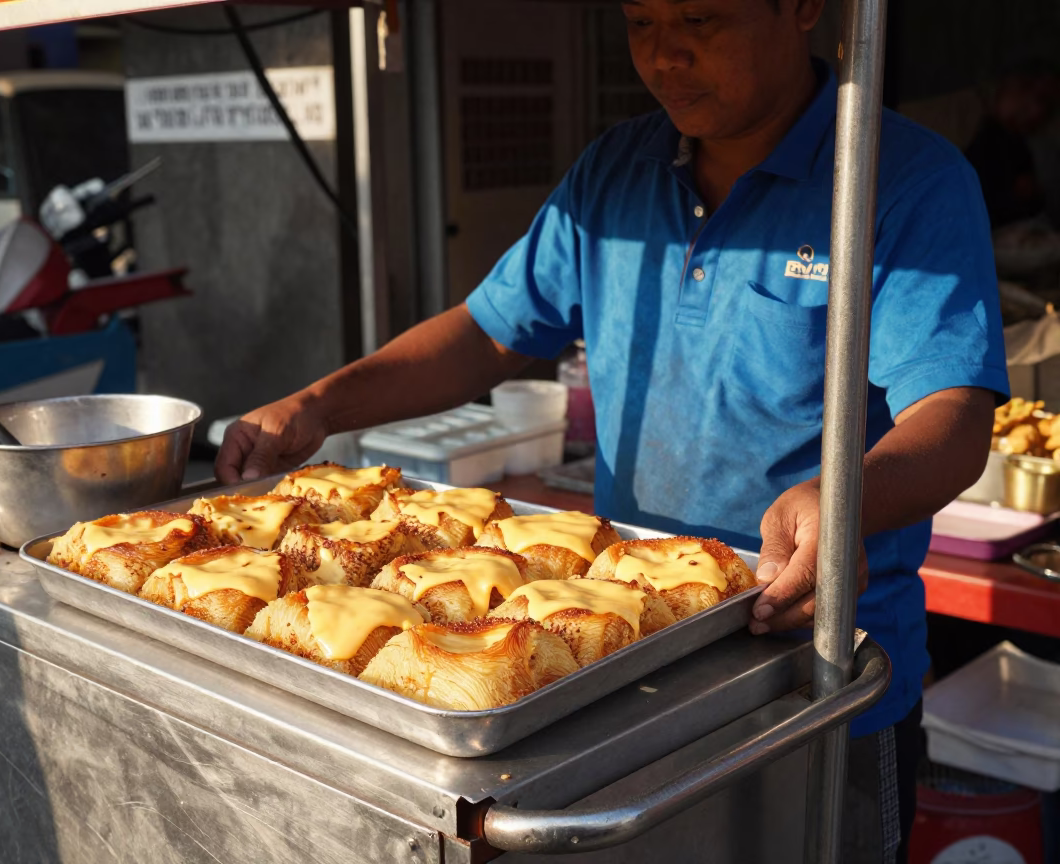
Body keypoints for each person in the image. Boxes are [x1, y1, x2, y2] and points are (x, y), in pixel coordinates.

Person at [217, 1, 1007, 860]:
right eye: (639, 21)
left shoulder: (901, 180)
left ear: (804, 10)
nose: (665, 54)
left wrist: (844, 497)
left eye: (700, 18)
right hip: (617, 668)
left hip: (812, 678)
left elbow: (954, 415)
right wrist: (319, 406)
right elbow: (489, 332)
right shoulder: (614, 174)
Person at [965, 64, 1057, 230]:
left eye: (1048, 106)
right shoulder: (987, 139)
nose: (1037, 111)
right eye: (1038, 99)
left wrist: (1032, 195)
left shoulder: (1023, 146)